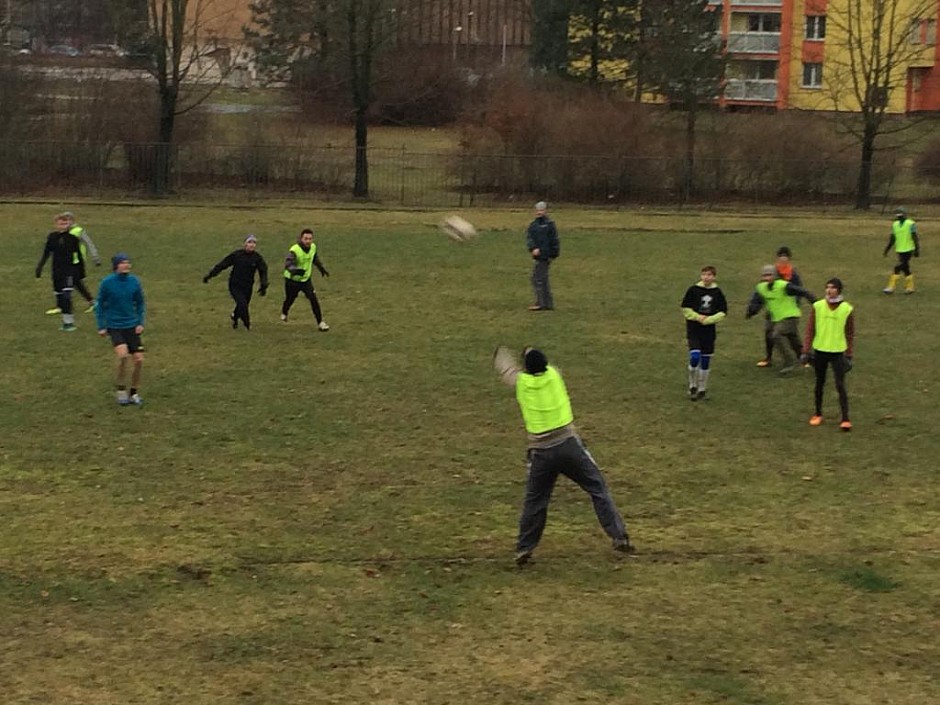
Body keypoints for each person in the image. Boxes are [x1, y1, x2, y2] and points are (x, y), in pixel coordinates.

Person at [493, 346, 634, 565]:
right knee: (597, 488)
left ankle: (524, 548)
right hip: (569, 445)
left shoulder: (523, 383)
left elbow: (507, 372)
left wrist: (501, 355)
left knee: (535, 500)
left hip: (540, 452)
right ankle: (619, 536)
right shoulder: (554, 376)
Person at [801, 278, 855, 431]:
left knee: (840, 385)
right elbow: (810, 329)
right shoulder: (818, 306)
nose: (829, 291)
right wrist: (806, 350)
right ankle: (818, 414)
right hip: (820, 350)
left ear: (839, 290)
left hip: (838, 352)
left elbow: (850, 332)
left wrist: (849, 353)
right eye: (827, 288)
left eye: (832, 288)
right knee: (819, 383)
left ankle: (845, 418)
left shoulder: (846, 309)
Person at [96, 253, 147, 406]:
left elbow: (140, 303)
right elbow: (100, 305)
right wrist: (102, 326)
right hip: (115, 326)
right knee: (123, 356)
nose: (126, 265)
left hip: (131, 326)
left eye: (128, 262)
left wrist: (140, 322)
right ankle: (120, 390)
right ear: (116, 266)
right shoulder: (107, 283)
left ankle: (134, 392)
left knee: (139, 360)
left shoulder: (134, 282)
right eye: (123, 263)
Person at [746, 265, 816, 375]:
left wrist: (814, 302)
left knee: (776, 335)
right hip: (777, 318)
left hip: (790, 317)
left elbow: (803, 291)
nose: (767, 278)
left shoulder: (784, 286)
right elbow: (758, 300)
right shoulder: (761, 287)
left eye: (769, 275)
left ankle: (789, 362)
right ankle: (812, 359)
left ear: (774, 275)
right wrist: (751, 311)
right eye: (764, 275)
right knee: (794, 341)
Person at [680, 265, 728, 401]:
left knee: (706, 361)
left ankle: (702, 389)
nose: (706, 277)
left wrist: (709, 320)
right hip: (694, 329)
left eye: (709, 275)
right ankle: (692, 384)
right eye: (704, 275)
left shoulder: (717, 292)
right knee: (695, 357)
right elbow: (685, 308)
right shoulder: (693, 290)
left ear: (714, 277)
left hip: (708, 331)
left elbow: (723, 311)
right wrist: (697, 317)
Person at [203, 234, 269, 331]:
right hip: (235, 285)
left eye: (254, 243)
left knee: (243, 305)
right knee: (242, 304)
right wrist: (210, 275)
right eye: (249, 242)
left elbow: (263, 271)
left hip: (248, 286)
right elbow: (223, 265)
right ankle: (247, 324)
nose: (252, 245)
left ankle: (234, 316)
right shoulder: (237, 255)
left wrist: (263, 285)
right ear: (245, 244)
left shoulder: (257, 258)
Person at [44, 212, 101, 315]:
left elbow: (89, 244)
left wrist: (95, 257)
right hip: (65, 263)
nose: (67, 223)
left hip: (75, 262)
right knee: (74, 283)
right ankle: (89, 303)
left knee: (73, 283)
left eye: (69, 220)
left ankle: (67, 305)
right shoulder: (61, 233)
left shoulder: (78, 231)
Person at [757, 246, 805, 367]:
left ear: (789, 259)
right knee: (769, 332)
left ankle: (801, 357)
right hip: (773, 309)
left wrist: (796, 303)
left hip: (787, 309)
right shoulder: (773, 271)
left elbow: (799, 289)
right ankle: (768, 358)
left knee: (790, 334)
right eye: (781, 257)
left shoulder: (792, 274)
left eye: (785, 257)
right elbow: (762, 289)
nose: (783, 259)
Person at [35, 221, 83, 331]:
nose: (63, 226)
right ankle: (66, 322)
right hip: (56, 272)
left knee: (67, 295)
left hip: (68, 271)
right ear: (56, 225)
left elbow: (78, 255)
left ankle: (70, 322)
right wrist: (40, 267)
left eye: (65, 224)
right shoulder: (52, 237)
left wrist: (80, 271)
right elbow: (46, 253)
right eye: (61, 224)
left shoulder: (72, 239)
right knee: (60, 296)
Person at [281, 228, 330, 331]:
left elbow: (315, 259)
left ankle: (320, 322)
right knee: (290, 298)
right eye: (306, 238)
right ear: (301, 239)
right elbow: (288, 264)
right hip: (292, 281)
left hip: (305, 280)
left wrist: (322, 269)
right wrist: (295, 270)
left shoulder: (313, 247)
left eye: (310, 239)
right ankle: (284, 312)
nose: (308, 241)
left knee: (313, 300)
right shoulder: (295, 250)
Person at [525, 201, 560, 311]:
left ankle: (541, 303)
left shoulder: (549, 225)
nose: (540, 212)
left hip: (546, 256)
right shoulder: (533, 225)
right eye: (538, 210)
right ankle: (547, 303)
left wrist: (553, 254)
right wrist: (533, 248)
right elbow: (530, 238)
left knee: (537, 278)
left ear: (545, 211)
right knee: (542, 278)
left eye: (542, 210)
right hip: (539, 256)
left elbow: (554, 240)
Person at [883, 206, 920, 294]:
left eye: (901, 215)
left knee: (897, 267)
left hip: (908, 249)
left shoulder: (910, 223)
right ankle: (910, 288)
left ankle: (891, 287)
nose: (899, 217)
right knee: (905, 268)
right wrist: (887, 249)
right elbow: (892, 238)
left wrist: (917, 249)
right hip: (900, 249)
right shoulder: (895, 224)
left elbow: (915, 237)